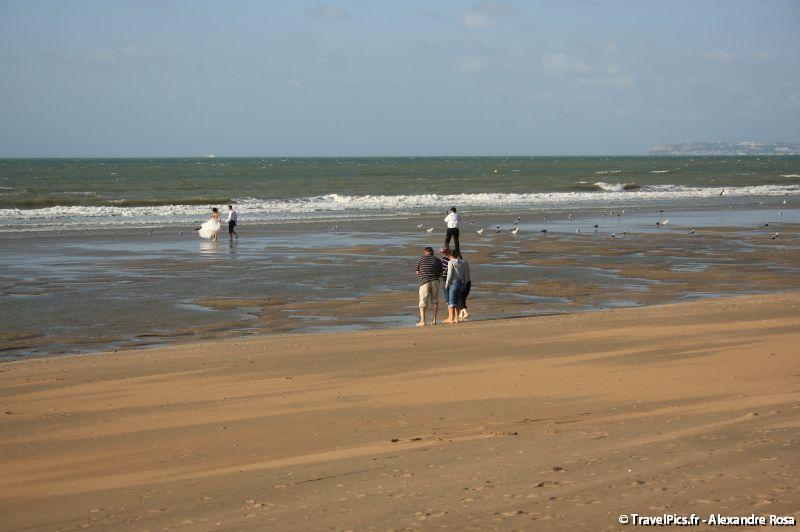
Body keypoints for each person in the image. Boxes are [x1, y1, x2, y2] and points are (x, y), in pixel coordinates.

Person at [415, 246, 443, 326]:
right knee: (434, 301)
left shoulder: (421, 259)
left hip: (424, 281)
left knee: (423, 301)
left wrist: (422, 274)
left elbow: (417, 272)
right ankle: (434, 320)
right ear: (432, 252)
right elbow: (441, 274)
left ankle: (423, 321)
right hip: (435, 281)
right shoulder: (438, 260)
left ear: (425, 252)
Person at [444, 250, 470, 324]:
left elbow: (450, 274)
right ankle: (456, 318)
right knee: (458, 301)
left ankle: (451, 319)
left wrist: (447, 284)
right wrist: (464, 284)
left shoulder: (451, 262)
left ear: (451, 255)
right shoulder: (462, 262)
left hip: (454, 283)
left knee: (452, 301)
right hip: (462, 283)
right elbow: (465, 274)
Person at [439, 246, 451, 310]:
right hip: (446, 278)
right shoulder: (445, 258)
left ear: (447, 251)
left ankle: (451, 315)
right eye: (441, 252)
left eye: (443, 252)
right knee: (451, 297)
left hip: (447, 279)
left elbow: (444, 269)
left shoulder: (447, 259)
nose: (442, 253)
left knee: (448, 298)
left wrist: (441, 274)